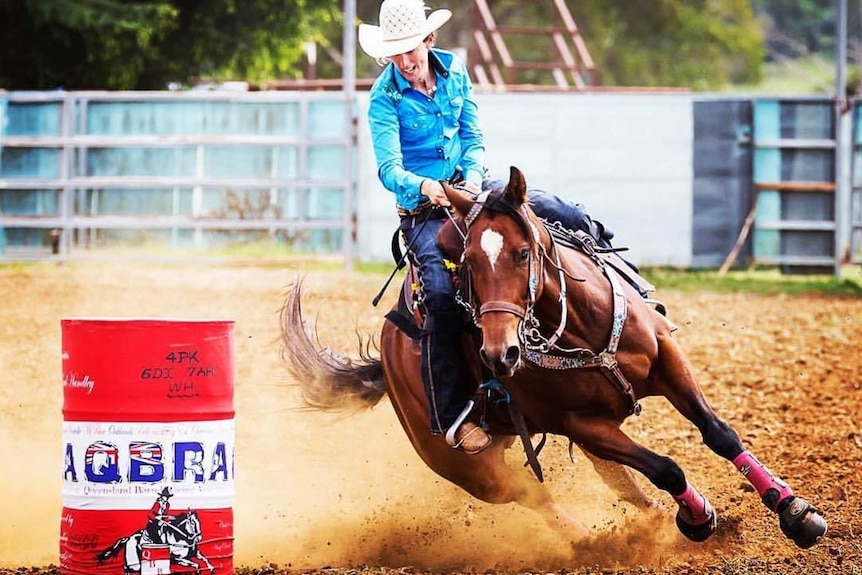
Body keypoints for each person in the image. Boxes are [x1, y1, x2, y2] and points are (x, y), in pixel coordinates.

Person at [359, 0, 635, 455]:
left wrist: (469, 176)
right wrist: (428, 186)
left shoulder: (455, 72)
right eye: (396, 53)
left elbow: (473, 136)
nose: (406, 61)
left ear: (428, 41)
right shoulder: (382, 99)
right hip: (424, 209)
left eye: (411, 49)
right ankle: (452, 415)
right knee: (441, 296)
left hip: (471, 188)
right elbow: (389, 169)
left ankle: (630, 292)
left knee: (562, 212)